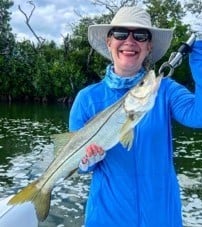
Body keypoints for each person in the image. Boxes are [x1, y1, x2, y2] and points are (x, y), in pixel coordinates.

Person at [69, 6, 202, 227]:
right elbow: (81, 166)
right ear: (109, 42)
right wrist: (86, 161)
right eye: (121, 33)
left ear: (149, 46)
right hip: (106, 218)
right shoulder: (86, 99)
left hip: (162, 218)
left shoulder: (165, 89)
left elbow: (198, 116)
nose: (130, 41)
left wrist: (200, 63)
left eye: (140, 35)